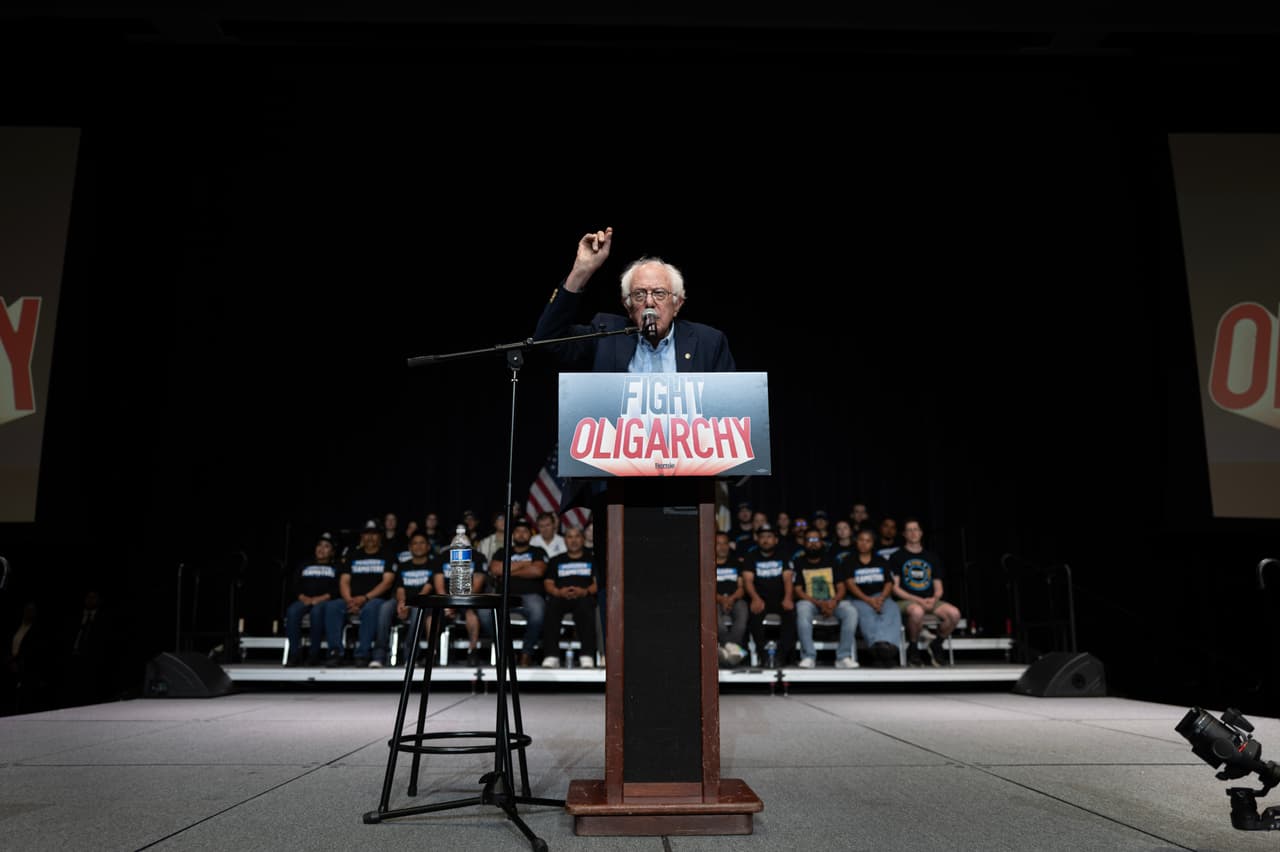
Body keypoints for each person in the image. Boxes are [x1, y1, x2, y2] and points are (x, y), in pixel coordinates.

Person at [532, 225, 738, 649]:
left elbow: (732, 414)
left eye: (659, 295)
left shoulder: (708, 343)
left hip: (686, 495)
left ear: (677, 303)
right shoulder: (606, 335)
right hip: (618, 496)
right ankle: (624, 698)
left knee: (681, 604)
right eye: (640, 295)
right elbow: (547, 342)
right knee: (620, 601)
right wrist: (580, 272)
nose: (649, 303)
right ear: (627, 306)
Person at [890, 518, 962, 667]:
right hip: (906, 601)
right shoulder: (897, 556)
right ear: (904, 534)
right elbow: (895, 588)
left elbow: (939, 587)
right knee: (917, 612)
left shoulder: (931, 557)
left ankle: (937, 644)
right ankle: (913, 648)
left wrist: (934, 600)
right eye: (909, 530)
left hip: (929, 600)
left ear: (921, 533)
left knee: (954, 614)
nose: (913, 533)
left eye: (916, 529)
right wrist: (918, 600)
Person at [792, 529, 858, 669]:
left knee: (850, 611)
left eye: (816, 540)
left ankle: (843, 656)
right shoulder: (798, 562)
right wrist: (819, 603)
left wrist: (833, 602)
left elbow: (841, 587)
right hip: (810, 602)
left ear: (822, 543)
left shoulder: (832, 561)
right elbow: (797, 590)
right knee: (802, 609)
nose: (813, 544)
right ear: (804, 543)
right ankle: (809, 656)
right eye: (809, 540)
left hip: (832, 601)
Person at [488, 516, 548, 666]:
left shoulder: (538, 551)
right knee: (485, 614)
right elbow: (495, 569)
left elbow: (538, 571)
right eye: (518, 531)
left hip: (530, 596)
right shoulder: (503, 551)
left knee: (538, 609)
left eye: (525, 531)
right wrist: (525, 564)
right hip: (505, 596)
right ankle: (508, 651)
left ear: (530, 534)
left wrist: (507, 570)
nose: (521, 534)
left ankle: (526, 653)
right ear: (512, 534)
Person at [378, 530, 443, 667]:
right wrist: (402, 603)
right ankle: (379, 655)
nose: (418, 546)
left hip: (422, 601)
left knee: (417, 610)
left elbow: (428, 588)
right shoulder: (403, 565)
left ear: (428, 546)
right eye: (415, 543)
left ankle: (410, 655)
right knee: (384, 607)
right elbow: (399, 588)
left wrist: (410, 604)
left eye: (422, 543)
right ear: (410, 547)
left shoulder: (434, 564)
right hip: (403, 600)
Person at [283, 532, 346, 667]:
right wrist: (302, 596)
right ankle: (295, 654)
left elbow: (338, 588)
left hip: (324, 600)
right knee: (292, 611)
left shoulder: (337, 567)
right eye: (319, 545)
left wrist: (321, 598)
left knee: (316, 612)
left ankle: (314, 654)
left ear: (332, 551)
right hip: (304, 599)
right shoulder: (305, 564)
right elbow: (294, 584)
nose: (321, 549)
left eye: (326, 546)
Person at [339, 519, 397, 667]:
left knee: (371, 607)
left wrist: (365, 598)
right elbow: (344, 580)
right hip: (351, 600)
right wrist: (349, 600)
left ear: (380, 536)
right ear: (361, 536)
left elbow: (387, 582)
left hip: (377, 599)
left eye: (374, 534)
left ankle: (362, 654)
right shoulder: (353, 555)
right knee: (332, 607)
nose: (370, 537)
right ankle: (334, 654)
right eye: (367, 534)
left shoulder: (388, 555)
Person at [540, 526, 598, 669]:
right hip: (560, 596)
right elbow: (548, 583)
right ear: (564, 540)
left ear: (583, 539)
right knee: (551, 607)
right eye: (570, 537)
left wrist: (585, 591)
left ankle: (587, 655)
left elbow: (599, 583)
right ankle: (551, 656)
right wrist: (558, 592)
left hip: (584, 596)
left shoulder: (593, 559)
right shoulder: (555, 560)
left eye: (577, 536)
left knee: (586, 608)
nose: (573, 541)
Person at [845, 528, 903, 667]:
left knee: (892, 608)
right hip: (859, 598)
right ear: (856, 542)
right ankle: (877, 648)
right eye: (861, 540)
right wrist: (868, 600)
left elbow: (889, 582)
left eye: (868, 541)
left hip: (879, 596)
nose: (864, 544)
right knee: (866, 613)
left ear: (872, 543)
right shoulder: (849, 560)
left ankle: (888, 646)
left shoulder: (880, 560)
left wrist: (882, 598)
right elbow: (850, 584)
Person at [741, 525, 797, 668]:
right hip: (760, 599)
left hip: (780, 598)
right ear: (757, 539)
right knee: (754, 618)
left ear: (776, 540)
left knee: (790, 616)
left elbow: (788, 579)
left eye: (769, 537)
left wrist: (788, 598)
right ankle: (763, 655)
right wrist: (755, 598)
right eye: (762, 537)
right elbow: (747, 580)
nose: (766, 540)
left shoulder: (783, 555)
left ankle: (782, 656)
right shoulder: (751, 556)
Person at [713, 531, 749, 666]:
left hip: (735, 599)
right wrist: (722, 599)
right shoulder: (708, 565)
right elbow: (707, 590)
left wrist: (731, 599)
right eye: (718, 544)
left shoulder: (736, 563)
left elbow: (741, 587)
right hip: (715, 600)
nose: (722, 547)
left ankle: (725, 650)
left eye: (725, 543)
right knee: (713, 617)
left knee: (743, 609)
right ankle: (734, 650)